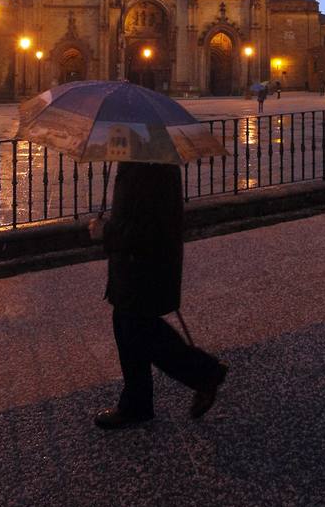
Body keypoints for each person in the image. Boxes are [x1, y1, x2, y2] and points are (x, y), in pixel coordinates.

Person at [94, 161, 227, 431]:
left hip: (143, 265)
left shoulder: (148, 166)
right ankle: (137, 402)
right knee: (127, 324)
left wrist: (104, 232)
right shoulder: (143, 159)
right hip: (135, 264)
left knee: (140, 330)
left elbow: (145, 228)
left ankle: (204, 373)